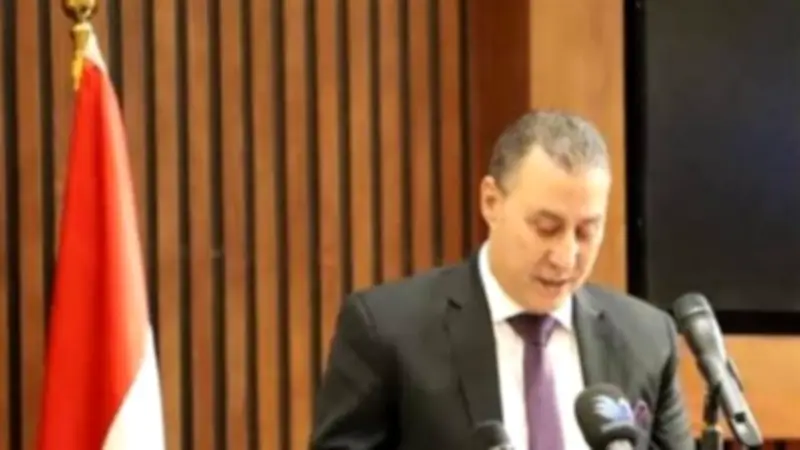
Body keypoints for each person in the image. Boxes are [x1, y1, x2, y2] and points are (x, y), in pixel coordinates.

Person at [310, 109, 695, 450]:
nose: (565, 257)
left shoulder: (646, 340)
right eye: (546, 228)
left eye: (586, 232)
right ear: (491, 202)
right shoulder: (387, 331)